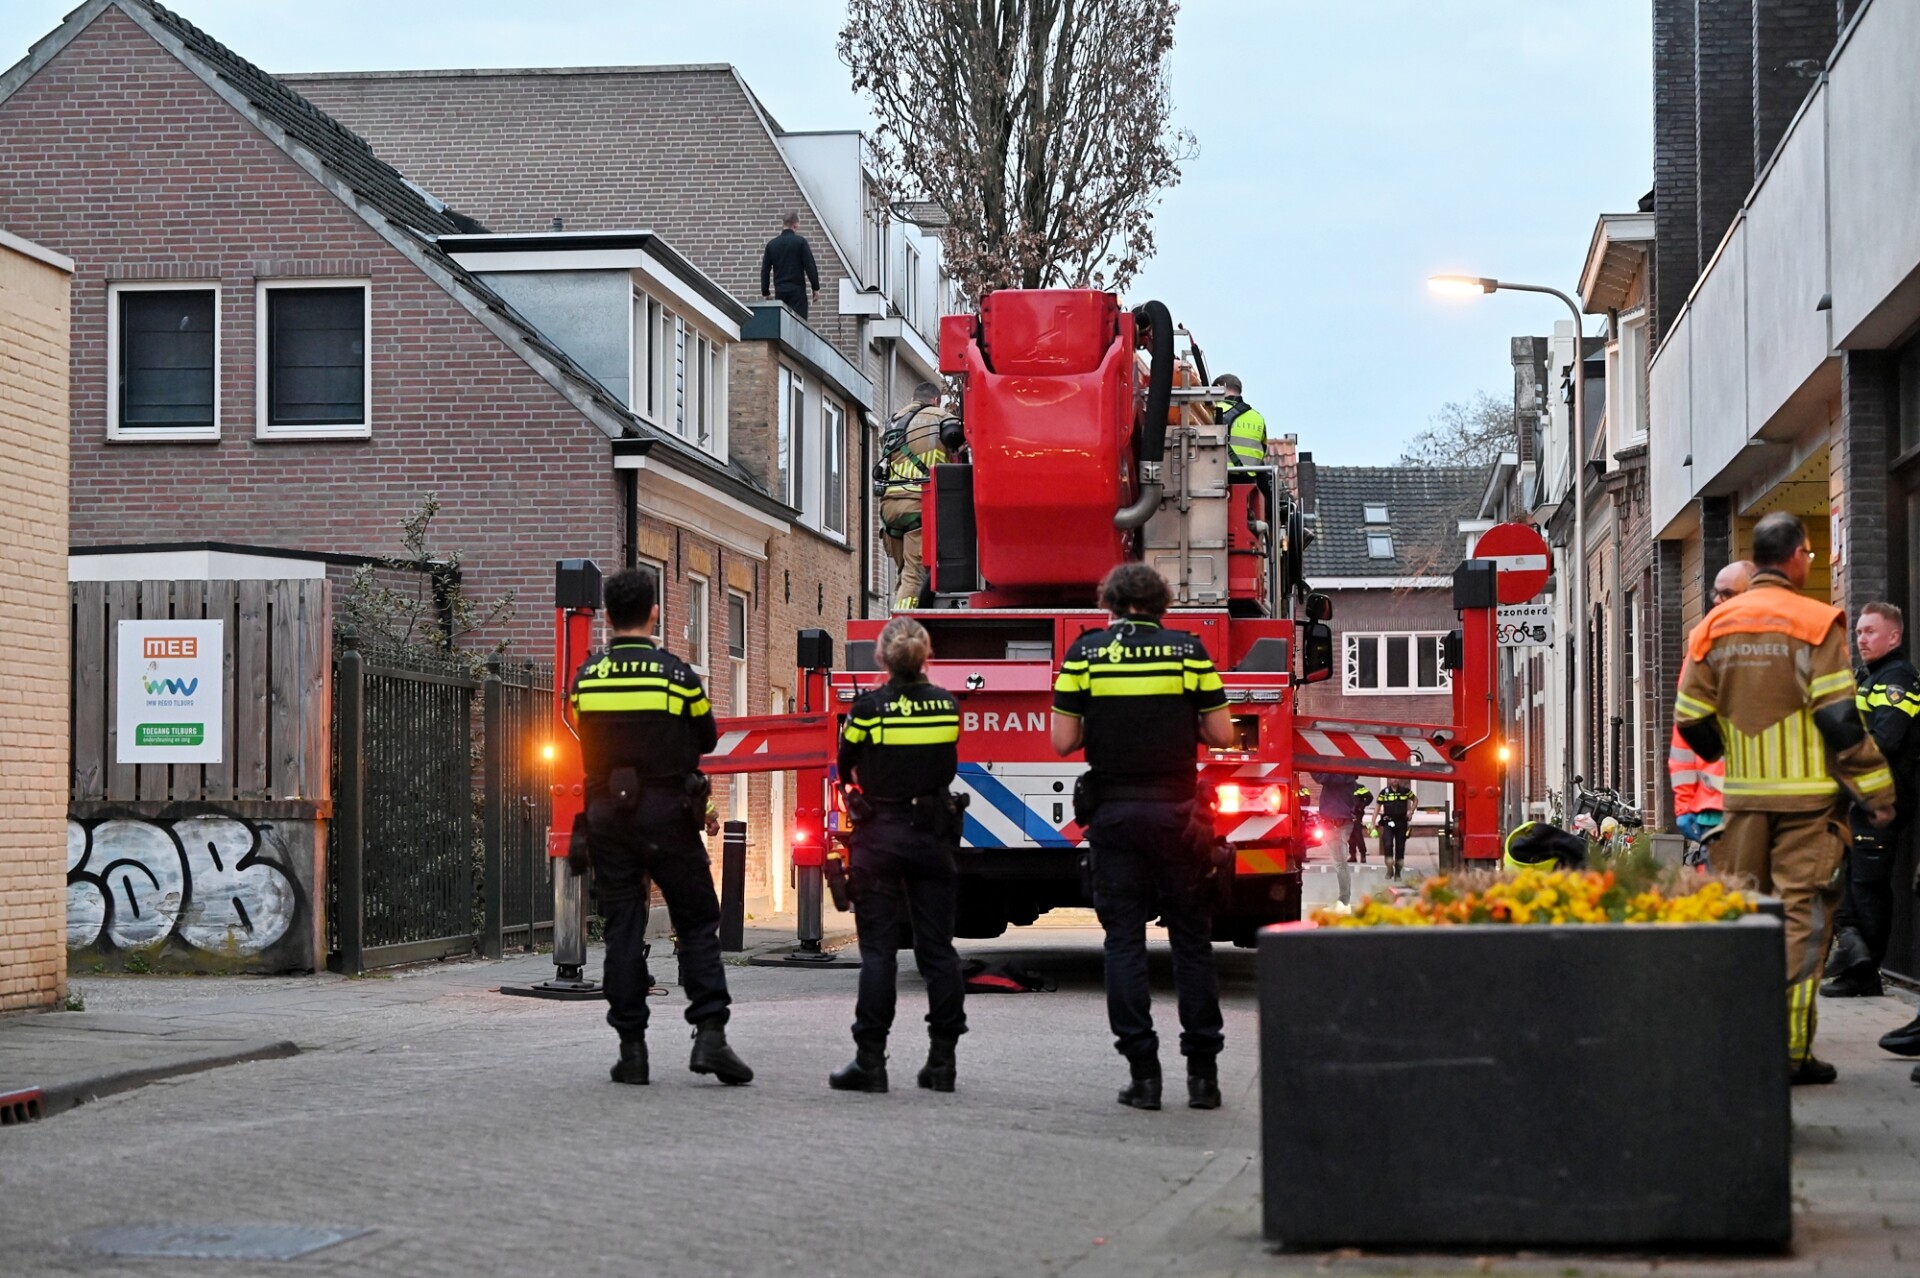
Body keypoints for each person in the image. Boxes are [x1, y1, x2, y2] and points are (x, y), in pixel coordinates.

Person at [1674, 512, 1895, 1085]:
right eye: (1809, 556)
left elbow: (1690, 718)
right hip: (1808, 807)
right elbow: (1840, 719)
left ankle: (1739, 1046)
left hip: (1742, 803)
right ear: (1796, 556)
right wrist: (1876, 790)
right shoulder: (1817, 622)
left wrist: (1734, 752)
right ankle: (1791, 1051)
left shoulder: (1713, 628)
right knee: (1802, 919)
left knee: (1746, 915)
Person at [1051, 563, 1235, 1111]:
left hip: (1114, 817)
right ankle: (1203, 1078)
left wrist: (1106, 721)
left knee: (1124, 943)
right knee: (1191, 944)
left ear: (1109, 602)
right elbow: (1223, 734)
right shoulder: (1189, 652)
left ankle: (1144, 1076)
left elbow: (1063, 740)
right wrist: (1182, 722)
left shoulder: (1085, 655)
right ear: (1163, 604)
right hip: (1179, 818)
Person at [568, 567, 753, 1088]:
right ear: (654, 614)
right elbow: (708, 737)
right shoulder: (676, 676)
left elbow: (584, 736)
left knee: (622, 924)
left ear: (607, 616)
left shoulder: (587, 678)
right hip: (668, 812)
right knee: (696, 920)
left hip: (608, 814)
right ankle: (710, 1034)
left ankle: (632, 1050)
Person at [829, 617, 968, 1095]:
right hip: (932, 835)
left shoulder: (868, 709)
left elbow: (845, 762)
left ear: (881, 657)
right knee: (938, 951)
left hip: (880, 836)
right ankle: (942, 1062)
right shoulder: (947, 705)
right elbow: (945, 759)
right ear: (926, 655)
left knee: (879, 953)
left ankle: (870, 1062)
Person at [1822, 602, 1920, 998]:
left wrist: (1842, 761)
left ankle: (1866, 974)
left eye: (1870, 632)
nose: (1861, 639)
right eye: (1859, 631)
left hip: (1882, 800)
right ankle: (1854, 955)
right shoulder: (1869, 676)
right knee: (1846, 883)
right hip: (1858, 798)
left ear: (1893, 637)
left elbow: (1885, 740)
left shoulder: (1899, 680)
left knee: (1868, 887)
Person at [1670, 562, 1754, 849]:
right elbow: (1683, 735)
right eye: (1715, 593)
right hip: (1716, 808)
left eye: (1727, 594)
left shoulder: (1784, 646)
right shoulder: (1702, 651)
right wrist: (1684, 803)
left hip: (1772, 804)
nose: (1717, 601)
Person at [878, 382, 955, 609]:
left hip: (889, 509)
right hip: (918, 506)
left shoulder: (892, 422)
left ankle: (898, 612)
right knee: (914, 577)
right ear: (936, 400)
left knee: (904, 574)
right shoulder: (942, 418)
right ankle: (905, 623)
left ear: (913, 399)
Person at [759, 211, 819, 319]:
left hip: (780, 291)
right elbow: (810, 266)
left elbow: (765, 270)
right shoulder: (801, 242)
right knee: (799, 323)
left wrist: (765, 292)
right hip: (797, 292)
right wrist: (815, 288)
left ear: (783, 224)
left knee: (782, 323)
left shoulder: (772, 245)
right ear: (795, 225)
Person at [1314, 772, 1360, 905]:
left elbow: (1320, 777)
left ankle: (1344, 900)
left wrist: (1314, 764)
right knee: (1340, 862)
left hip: (1336, 824)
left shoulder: (1338, 777)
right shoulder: (1348, 777)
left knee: (1340, 864)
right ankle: (1344, 898)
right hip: (1337, 823)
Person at [1213, 374, 1268, 467]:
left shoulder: (1211, 410)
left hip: (1216, 472)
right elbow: (1263, 450)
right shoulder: (1258, 418)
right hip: (1249, 475)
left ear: (1219, 387)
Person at [1376, 780, 1417, 879]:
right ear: (1389, 780)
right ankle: (1389, 868)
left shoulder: (1405, 791)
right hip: (1388, 823)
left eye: (1396, 777)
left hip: (1401, 823)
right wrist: (1373, 823)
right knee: (1388, 844)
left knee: (1400, 847)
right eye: (1392, 778)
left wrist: (1411, 811)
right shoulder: (1384, 792)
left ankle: (1398, 872)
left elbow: (1415, 800)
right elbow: (1377, 807)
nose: (1395, 780)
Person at [1347, 780, 1373, 864]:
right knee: (1350, 835)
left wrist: (1361, 806)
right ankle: (1353, 855)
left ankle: (1363, 854)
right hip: (1347, 814)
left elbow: (1370, 797)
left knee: (1358, 834)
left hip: (1357, 814)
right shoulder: (1345, 787)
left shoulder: (1359, 787)